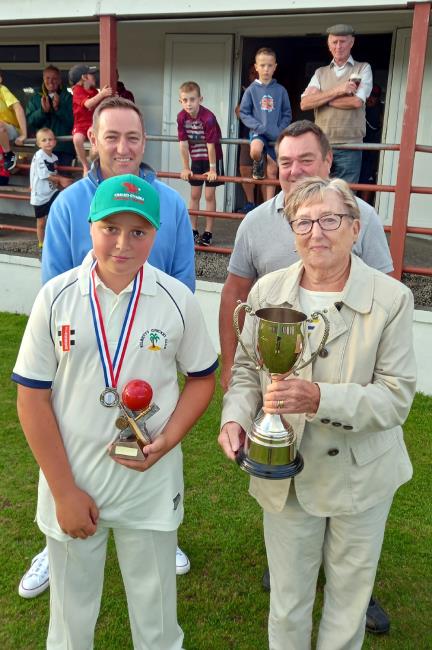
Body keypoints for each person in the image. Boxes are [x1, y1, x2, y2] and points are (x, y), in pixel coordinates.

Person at [13, 173, 217, 648]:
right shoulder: (56, 297)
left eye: (139, 232)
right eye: (110, 228)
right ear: (89, 225)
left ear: (155, 234)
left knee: (158, 622)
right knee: (70, 623)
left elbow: (202, 378)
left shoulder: (177, 300)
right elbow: (32, 397)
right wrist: (63, 491)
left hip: (148, 487)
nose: (122, 244)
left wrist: (167, 441)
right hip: (73, 483)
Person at [219, 176, 416, 650]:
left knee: (349, 601)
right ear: (292, 232)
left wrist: (320, 399)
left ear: (355, 228)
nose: (317, 232)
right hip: (285, 474)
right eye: (303, 222)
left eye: (330, 219)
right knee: (287, 602)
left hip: (361, 476)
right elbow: (247, 369)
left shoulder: (392, 300)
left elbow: (396, 396)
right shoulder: (268, 290)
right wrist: (235, 417)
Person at [19, 96, 195, 599]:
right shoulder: (69, 205)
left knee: (148, 449)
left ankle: (162, 531)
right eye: (111, 136)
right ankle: (55, 533)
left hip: (146, 361)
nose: (123, 147)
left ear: (145, 143)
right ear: (91, 140)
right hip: (81, 360)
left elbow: (179, 286)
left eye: (133, 138)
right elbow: (53, 289)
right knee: (68, 451)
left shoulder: (172, 206)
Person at [300, 24, 372, 184]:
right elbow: (304, 103)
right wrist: (338, 90)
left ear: (351, 43)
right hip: (322, 143)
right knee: (318, 191)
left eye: (343, 41)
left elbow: (355, 102)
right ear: (328, 44)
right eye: (334, 42)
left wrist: (322, 99)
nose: (338, 46)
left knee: (345, 195)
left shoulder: (363, 68)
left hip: (350, 145)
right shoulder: (320, 72)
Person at [239, 47, 291, 198]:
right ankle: (258, 163)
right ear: (256, 67)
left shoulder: (281, 90)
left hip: (276, 134)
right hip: (259, 133)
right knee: (255, 150)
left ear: (275, 67)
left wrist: (280, 129)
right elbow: (244, 112)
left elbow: (287, 113)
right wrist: (258, 127)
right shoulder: (251, 90)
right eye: (262, 65)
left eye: (269, 65)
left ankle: (269, 202)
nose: (266, 69)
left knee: (273, 171)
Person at [177, 81, 224, 246]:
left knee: (209, 195)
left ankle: (208, 232)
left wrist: (212, 169)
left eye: (192, 99)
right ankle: (193, 230)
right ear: (180, 101)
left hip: (212, 158)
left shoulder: (208, 118)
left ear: (200, 99)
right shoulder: (181, 117)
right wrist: (185, 167)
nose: (189, 104)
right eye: (185, 100)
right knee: (195, 194)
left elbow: (211, 145)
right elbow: (182, 143)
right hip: (196, 157)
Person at [29, 128, 73, 250]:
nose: (48, 142)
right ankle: (42, 244)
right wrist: (61, 180)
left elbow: (53, 172)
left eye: (50, 139)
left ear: (55, 142)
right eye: (44, 140)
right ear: (38, 144)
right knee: (41, 222)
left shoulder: (53, 157)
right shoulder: (39, 155)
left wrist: (59, 182)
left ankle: (55, 240)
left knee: (55, 214)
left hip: (51, 191)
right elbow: (45, 175)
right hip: (40, 195)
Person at [25, 65, 75, 167]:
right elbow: (30, 122)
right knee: (44, 180)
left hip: (64, 149)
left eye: (54, 78)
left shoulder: (69, 98)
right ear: (43, 79)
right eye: (47, 78)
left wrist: (58, 109)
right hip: (42, 148)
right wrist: (43, 111)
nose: (51, 81)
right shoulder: (35, 99)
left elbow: (73, 122)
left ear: (60, 80)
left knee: (64, 180)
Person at [69, 63, 113, 175]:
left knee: (95, 144)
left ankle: (91, 158)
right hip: (80, 124)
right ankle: (85, 165)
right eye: (91, 75)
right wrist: (102, 94)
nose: (95, 77)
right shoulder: (77, 90)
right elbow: (88, 104)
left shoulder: (94, 91)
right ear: (84, 77)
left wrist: (107, 96)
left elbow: (99, 104)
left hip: (92, 123)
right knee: (77, 139)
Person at [236, 64, 260, 214]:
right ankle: (250, 203)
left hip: (267, 138)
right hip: (247, 137)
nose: (255, 76)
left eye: (256, 73)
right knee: (245, 169)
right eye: (252, 73)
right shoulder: (246, 92)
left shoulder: (270, 91)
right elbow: (238, 112)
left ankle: (265, 206)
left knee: (266, 174)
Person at [359, 84, 384, 205]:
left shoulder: (383, 110)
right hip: (358, 149)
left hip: (373, 152)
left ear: (379, 98)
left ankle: (365, 210)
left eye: (374, 95)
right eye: (368, 95)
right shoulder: (359, 107)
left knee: (368, 179)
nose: (370, 98)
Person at [0, 70, 27, 171]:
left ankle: (8, 154)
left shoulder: (2, 89)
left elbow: (18, 108)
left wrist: (24, 134)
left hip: (11, 130)